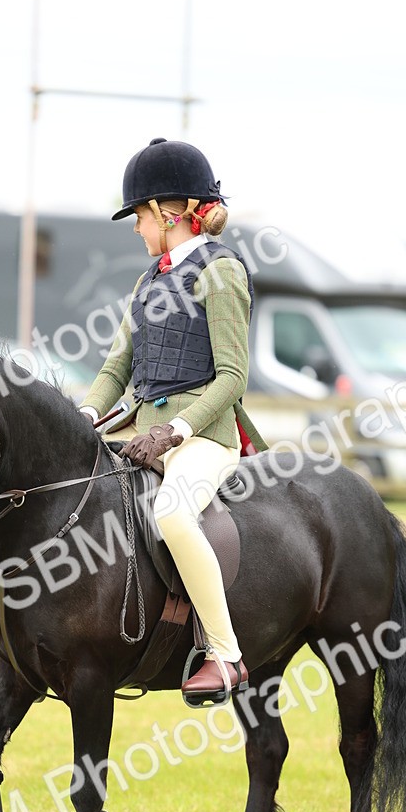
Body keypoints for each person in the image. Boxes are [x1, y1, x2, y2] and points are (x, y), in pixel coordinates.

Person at [79, 137, 268, 702]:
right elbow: (117, 369)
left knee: (173, 514)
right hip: (144, 433)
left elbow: (233, 377)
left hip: (204, 438)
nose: (136, 228)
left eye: (138, 215)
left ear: (169, 212)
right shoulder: (147, 283)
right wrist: (84, 417)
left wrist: (176, 431)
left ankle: (226, 653)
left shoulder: (222, 273)